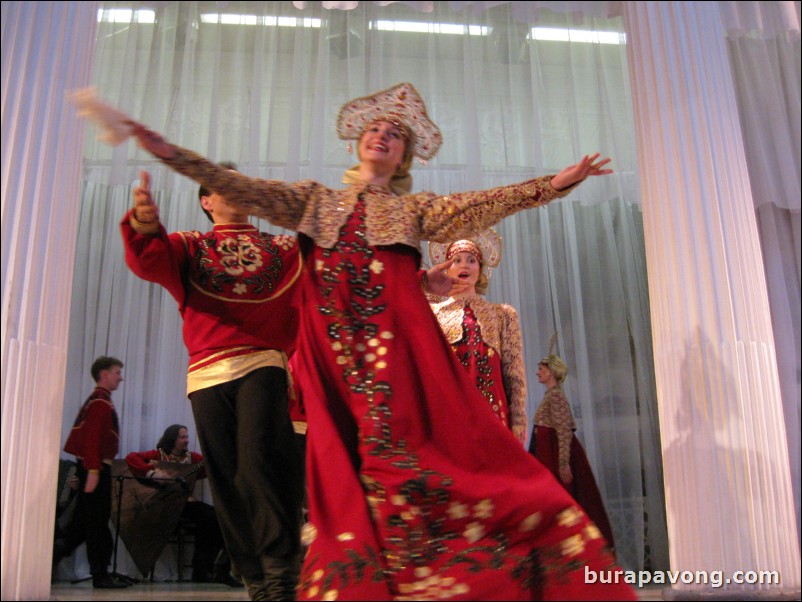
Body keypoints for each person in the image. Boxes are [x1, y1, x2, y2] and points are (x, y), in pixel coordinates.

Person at [126, 82, 634, 600]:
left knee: (422, 461)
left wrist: (555, 183)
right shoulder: (315, 202)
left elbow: (483, 204)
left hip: (396, 356)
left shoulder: (413, 210)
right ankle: (327, 577)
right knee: (339, 470)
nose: (383, 136)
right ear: (356, 144)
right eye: (375, 129)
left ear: (405, 155)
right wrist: (167, 152)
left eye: (395, 134)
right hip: (334, 363)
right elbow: (246, 190)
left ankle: (430, 568)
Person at [120, 165, 305, 600]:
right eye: (225, 187)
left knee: (261, 464)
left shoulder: (282, 248)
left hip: (263, 362)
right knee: (227, 477)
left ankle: (280, 574)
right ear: (207, 201)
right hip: (205, 371)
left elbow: (339, 273)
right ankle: (254, 577)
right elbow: (149, 260)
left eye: (244, 185)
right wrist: (144, 222)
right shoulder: (190, 246)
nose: (237, 192)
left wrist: (414, 281)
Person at [428, 229, 528, 445]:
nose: (464, 265)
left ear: (480, 268)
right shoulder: (432, 312)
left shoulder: (503, 314)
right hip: (449, 413)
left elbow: (514, 374)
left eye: (471, 260)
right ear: (446, 268)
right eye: (456, 260)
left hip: (493, 413)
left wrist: (519, 420)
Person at [125, 424, 240, 586]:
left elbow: (212, 466)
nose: (186, 440)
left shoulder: (193, 458)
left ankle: (202, 569)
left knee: (214, 518)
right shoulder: (158, 455)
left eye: (187, 437)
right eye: (182, 437)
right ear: (172, 439)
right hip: (162, 506)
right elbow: (131, 458)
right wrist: (151, 472)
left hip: (185, 505)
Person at [529, 347, 617, 553]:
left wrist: (563, 461)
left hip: (553, 455)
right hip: (545, 452)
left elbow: (563, 430)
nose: (537, 372)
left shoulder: (556, 397)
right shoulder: (551, 396)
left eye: (541, 368)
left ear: (550, 371)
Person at [61, 356, 131, 589]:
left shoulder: (100, 400)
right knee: (97, 524)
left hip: (94, 467)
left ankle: (51, 558)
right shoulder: (100, 402)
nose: (120, 377)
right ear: (104, 374)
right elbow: (92, 439)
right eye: (116, 372)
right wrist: (93, 470)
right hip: (95, 468)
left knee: (81, 527)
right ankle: (100, 575)